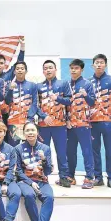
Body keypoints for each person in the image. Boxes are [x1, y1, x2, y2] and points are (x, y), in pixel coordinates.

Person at [36, 60, 72, 188]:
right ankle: (42, 176)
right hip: (43, 126)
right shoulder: (38, 86)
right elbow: (35, 105)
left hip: (59, 125)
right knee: (43, 153)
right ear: (43, 71)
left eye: (50, 68)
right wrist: (43, 116)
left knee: (61, 152)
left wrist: (58, 98)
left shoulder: (63, 83)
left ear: (55, 69)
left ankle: (63, 177)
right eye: (46, 68)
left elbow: (69, 101)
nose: (48, 70)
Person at [15, 122, 54, 221]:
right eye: (27, 130)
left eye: (33, 130)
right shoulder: (18, 149)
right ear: (24, 133)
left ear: (37, 132)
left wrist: (44, 159)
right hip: (25, 181)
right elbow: (18, 172)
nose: (30, 133)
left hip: (42, 181)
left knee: (49, 197)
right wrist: (31, 183)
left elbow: (47, 171)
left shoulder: (45, 148)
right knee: (29, 195)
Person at [89, 54, 111, 189]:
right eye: (96, 62)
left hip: (108, 121)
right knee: (94, 150)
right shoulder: (87, 81)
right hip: (92, 121)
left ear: (105, 65)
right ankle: (98, 177)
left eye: (101, 62)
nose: (99, 65)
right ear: (93, 65)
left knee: (110, 150)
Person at [66, 59, 96, 189]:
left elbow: (93, 103)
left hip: (83, 125)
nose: (73, 70)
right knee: (70, 152)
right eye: (72, 68)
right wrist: (66, 120)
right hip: (70, 126)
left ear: (81, 70)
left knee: (87, 152)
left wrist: (85, 95)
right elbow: (63, 105)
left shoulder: (87, 84)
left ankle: (89, 177)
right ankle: (70, 177)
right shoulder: (66, 84)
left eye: (76, 68)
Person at [4, 61, 38, 146]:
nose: (20, 70)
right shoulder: (9, 85)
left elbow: (35, 103)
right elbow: (7, 102)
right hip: (13, 122)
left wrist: (29, 118)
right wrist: (10, 90)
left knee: (29, 148)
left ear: (26, 71)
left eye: (22, 69)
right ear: (14, 71)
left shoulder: (32, 85)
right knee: (13, 148)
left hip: (28, 122)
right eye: (17, 69)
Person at [0, 37, 25, 128]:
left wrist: (22, 47)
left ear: (5, 65)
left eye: (1, 63)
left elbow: (19, 62)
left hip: (8, 111)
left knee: (8, 138)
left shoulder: (8, 75)